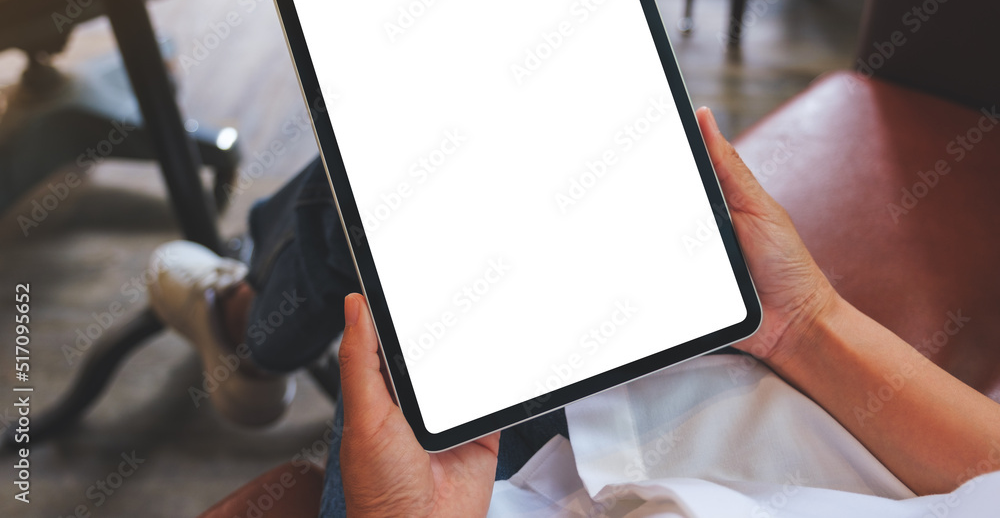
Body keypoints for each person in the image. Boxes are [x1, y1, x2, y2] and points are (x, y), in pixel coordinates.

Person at [149, 108, 1000, 517]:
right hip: (721, 423)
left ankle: (246, 328)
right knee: (468, 142)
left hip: (512, 498)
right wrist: (805, 318)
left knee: (381, 192)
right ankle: (251, 324)